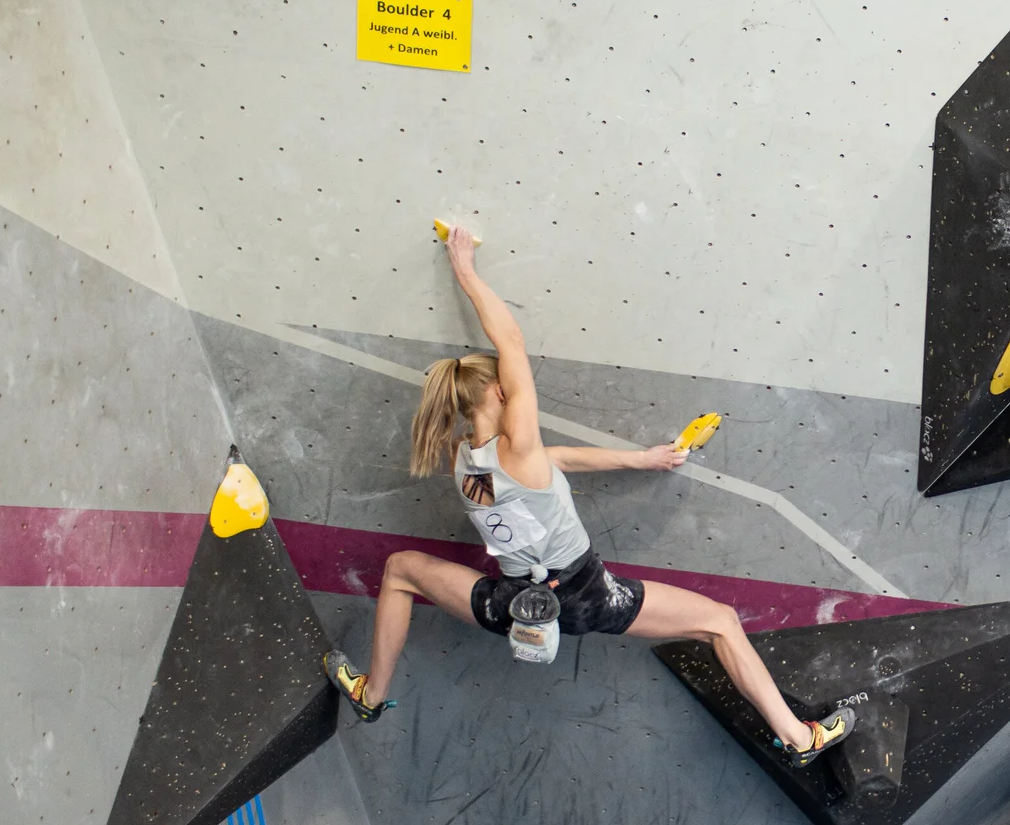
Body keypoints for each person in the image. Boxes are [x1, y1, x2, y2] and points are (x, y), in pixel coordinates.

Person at [323, 222, 857, 768]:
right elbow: (511, 341)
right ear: (502, 391)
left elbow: (551, 464)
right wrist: (464, 268)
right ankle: (799, 738)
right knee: (719, 621)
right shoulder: (520, 446)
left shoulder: (467, 458)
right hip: (586, 596)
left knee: (401, 569)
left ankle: (371, 695)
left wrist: (640, 460)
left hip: (510, 605)